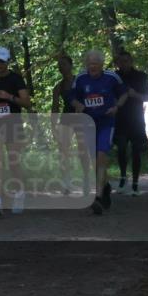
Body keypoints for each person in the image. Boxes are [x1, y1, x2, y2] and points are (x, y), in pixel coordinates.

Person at [70, 50, 128, 215]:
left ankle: (98, 197)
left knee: (101, 156)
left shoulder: (111, 77)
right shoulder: (81, 78)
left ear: (101, 64)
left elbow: (124, 94)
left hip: (106, 123)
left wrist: (117, 107)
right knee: (94, 161)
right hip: (88, 124)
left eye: (95, 64)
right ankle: (105, 186)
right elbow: (72, 97)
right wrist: (77, 105)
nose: (92, 66)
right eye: (89, 64)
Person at [0, 47, 31, 216]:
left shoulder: (16, 79)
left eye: (3, 61)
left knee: (13, 162)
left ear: (8, 62)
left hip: (13, 123)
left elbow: (26, 103)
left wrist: (9, 96)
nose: (0, 64)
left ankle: (19, 194)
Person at [51, 53, 91, 195]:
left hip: (80, 118)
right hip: (66, 119)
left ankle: (86, 178)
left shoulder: (80, 81)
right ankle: (66, 181)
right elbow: (55, 107)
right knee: (63, 150)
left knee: (82, 148)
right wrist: (52, 125)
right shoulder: (58, 87)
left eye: (64, 64)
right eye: (59, 66)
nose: (61, 67)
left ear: (71, 65)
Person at [113, 52, 148, 195]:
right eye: (121, 61)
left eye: (127, 61)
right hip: (120, 119)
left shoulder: (141, 76)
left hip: (136, 119)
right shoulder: (114, 77)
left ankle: (135, 183)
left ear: (131, 61)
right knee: (121, 149)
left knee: (136, 151)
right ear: (117, 63)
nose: (124, 64)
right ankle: (123, 178)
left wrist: (135, 95)